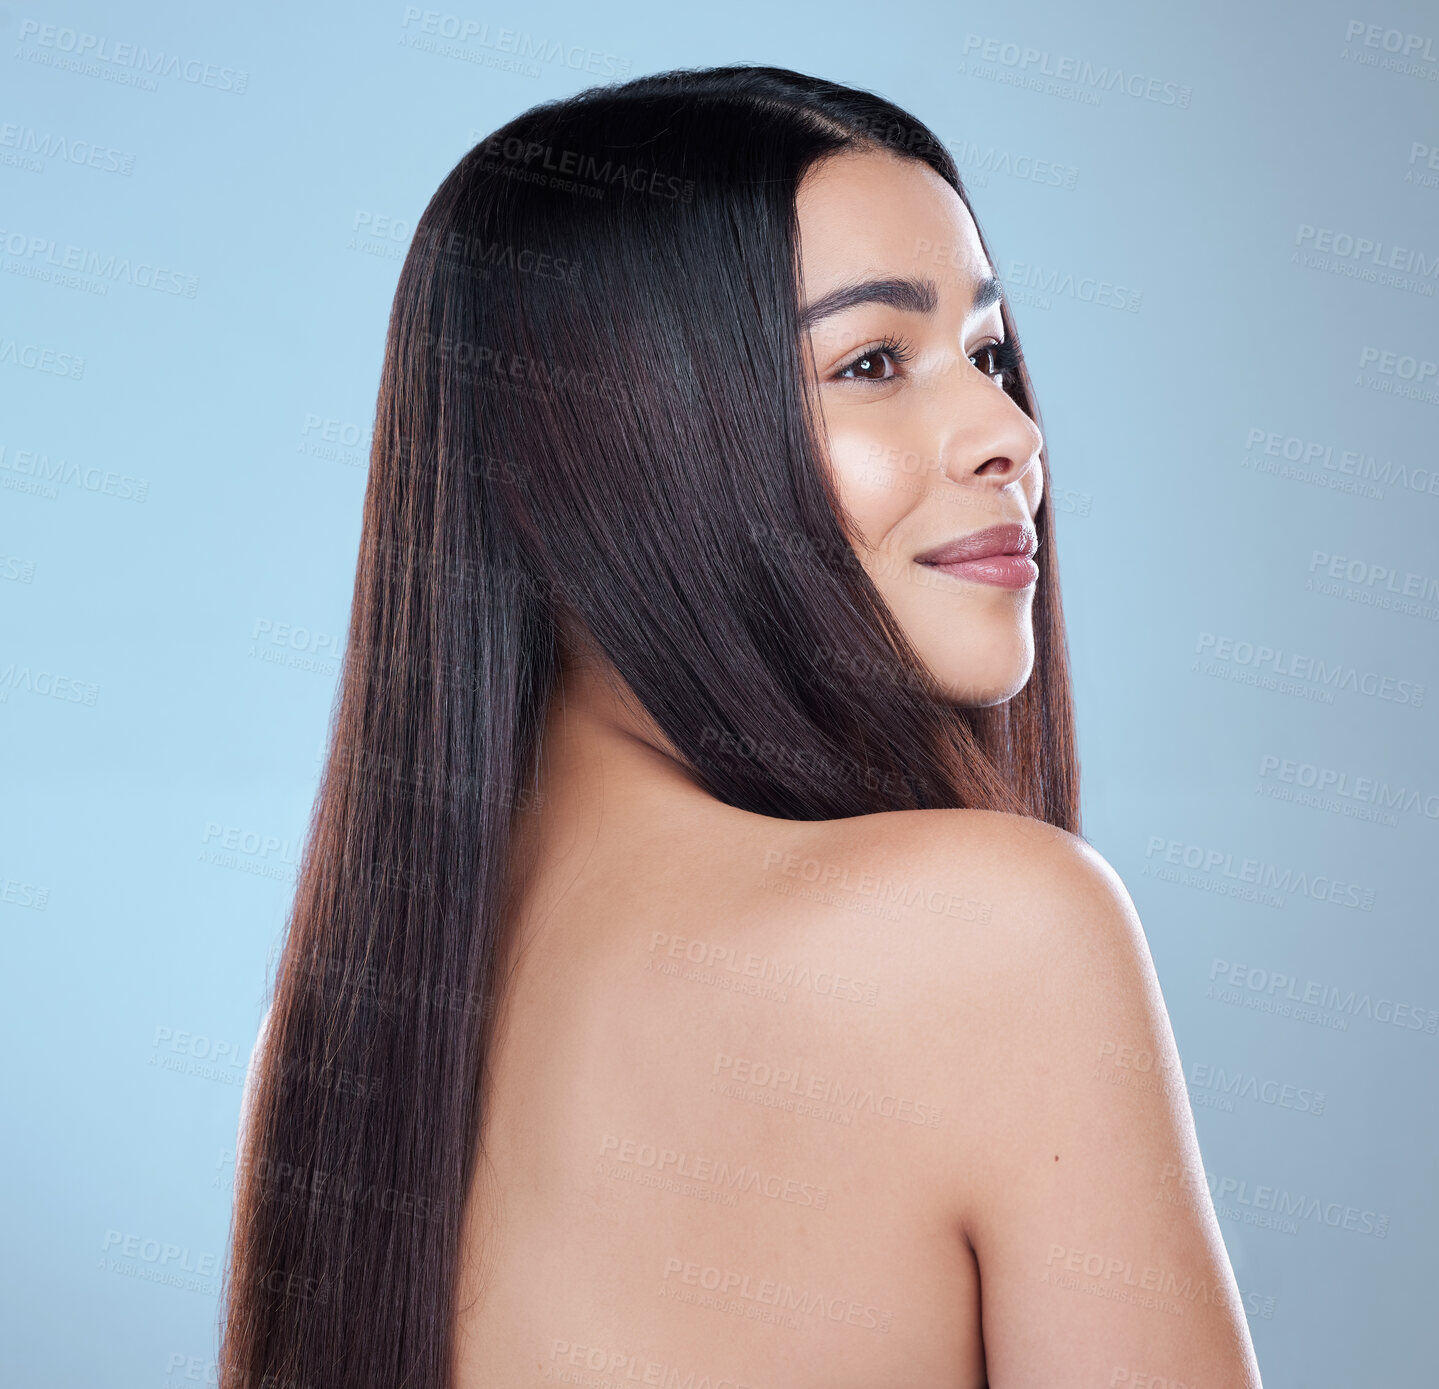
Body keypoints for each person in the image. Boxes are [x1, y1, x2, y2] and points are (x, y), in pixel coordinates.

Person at [222, 65, 1263, 1389]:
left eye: (988, 353)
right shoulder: (1001, 935)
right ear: (610, 444)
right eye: (873, 362)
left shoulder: (337, 1032)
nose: (1010, 433)